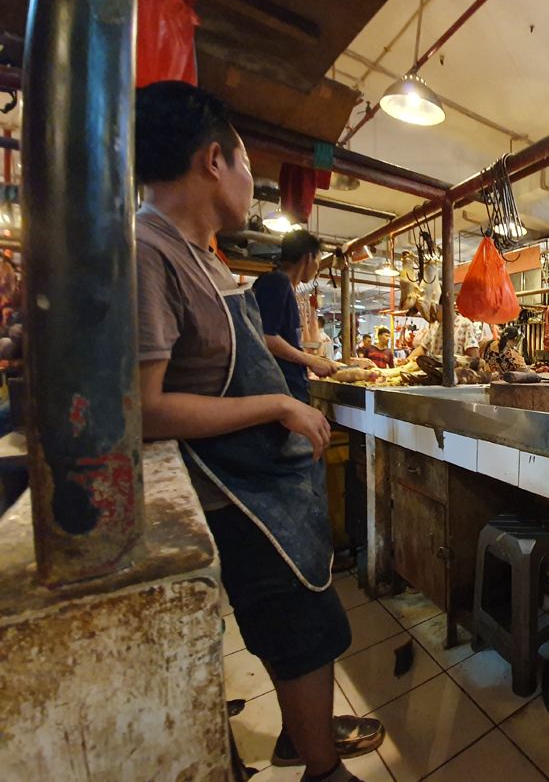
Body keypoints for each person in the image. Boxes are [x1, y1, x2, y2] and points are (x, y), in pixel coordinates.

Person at [134, 81, 379, 782]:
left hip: (267, 485)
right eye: (246, 165)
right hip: (236, 496)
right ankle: (321, 769)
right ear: (214, 160)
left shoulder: (203, 254)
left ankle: (303, 741)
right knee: (300, 632)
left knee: (304, 629)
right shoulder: (149, 250)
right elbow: (145, 406)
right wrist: (277, 408)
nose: (250, 183)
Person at [252, 229, 338, 403]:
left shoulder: (280, 284)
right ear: (308, 258)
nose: (317, 268)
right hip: (278, 391)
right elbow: (265, 337)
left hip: (283, 390)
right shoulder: (278, 282)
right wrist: (310, 360)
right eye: (318, 261)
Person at [408, 301, 479, 360]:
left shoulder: (465, 324)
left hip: (456, 375)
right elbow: (423, 348)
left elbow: (474, 358)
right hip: (436, 374)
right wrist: (407, 360)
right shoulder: (434, 325)